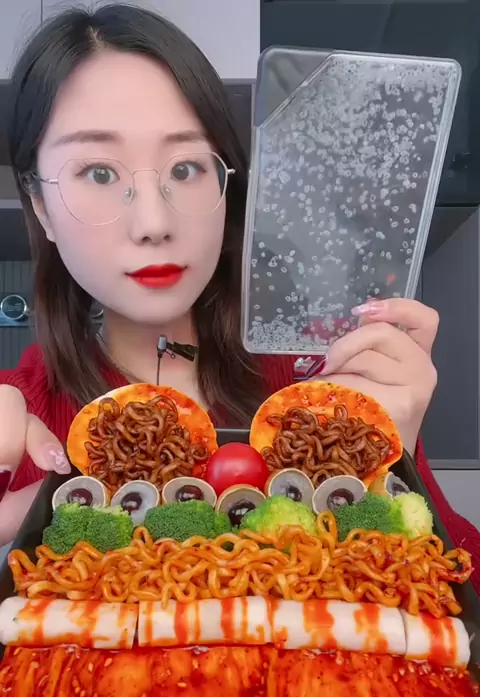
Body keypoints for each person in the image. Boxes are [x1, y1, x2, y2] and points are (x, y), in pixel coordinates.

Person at [0, 4, 478, 592]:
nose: (153, 223)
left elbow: (455, 607)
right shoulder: (21, 422)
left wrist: (398, 461)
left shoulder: (330, 383)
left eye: (186, 168)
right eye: (99, 173)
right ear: (41, 206)